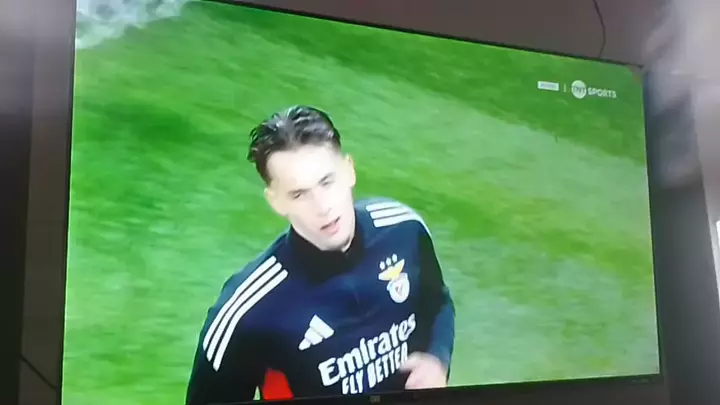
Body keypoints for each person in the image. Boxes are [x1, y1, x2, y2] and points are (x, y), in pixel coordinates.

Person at [185, 106, 455, 405]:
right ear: (275, 201)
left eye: (327, 182)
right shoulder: (247, 312)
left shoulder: (403, 231)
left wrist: (437, 360)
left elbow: (437, 303)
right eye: (299, 194)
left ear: (349, 170)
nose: (322, 206)